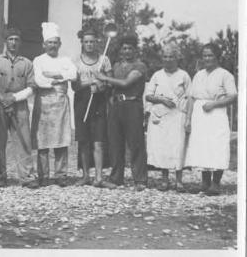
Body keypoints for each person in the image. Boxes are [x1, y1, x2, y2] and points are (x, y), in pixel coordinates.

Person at [95, 33, 148, 191]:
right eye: (124, 48)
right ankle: (116, 177)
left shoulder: (140, 66)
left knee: (135, 143)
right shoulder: (116, 65)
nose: (126, 51)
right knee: (115, 143)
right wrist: (102, 85)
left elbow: (125, 83)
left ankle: (140, 180)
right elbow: (112, 86)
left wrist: (103, 78)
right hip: (116, 106)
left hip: (132, 105)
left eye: (130, 48)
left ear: (135, 50)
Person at [27, 22, 77, 188]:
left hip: (61, 102)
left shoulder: (66, 59)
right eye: (50, 42)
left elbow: (73, 74)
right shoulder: (38, 60)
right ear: (44, 44)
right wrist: (57, 79)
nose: (52, 46)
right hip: (44, 103)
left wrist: (56, 75)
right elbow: (39, 80)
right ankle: (43, 175)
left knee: (61, 140)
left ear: (60, 44)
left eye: (55, 42)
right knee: (43, 141)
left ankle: (61, 174)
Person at [184, 44, 237, 195]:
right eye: (205, 55)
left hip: (216, 113)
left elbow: (232, 95)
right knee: (202, 146)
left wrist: (214, 103)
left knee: (216, 145)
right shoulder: (199, 75)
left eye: (210, 55)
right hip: (199, 114)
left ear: (217, 57)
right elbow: (192, 98)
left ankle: (216, 183)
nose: (207, 58)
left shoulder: (225, 75)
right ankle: (205, 183)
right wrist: (188, 119)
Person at [71, 28, 116, 189]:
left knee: (98, 141)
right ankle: (85, 176)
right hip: (82, 101)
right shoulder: (76, 61)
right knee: (83, 140)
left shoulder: (104, 59)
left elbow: (110, 81)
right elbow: (74, 86)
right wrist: (90, 83)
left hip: (99, 102)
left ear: (96, 42)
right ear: (82, 43)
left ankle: (98, 177)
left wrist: (102, 86)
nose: (89, 44)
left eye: (92, 41)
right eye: (86, 41)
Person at [0, 27, 36, 187]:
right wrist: (3, 99)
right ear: (5, 41)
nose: (13, 42)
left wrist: (15, 98)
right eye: (10, 39)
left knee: (23, 139)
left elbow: (32, 87)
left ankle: (27, 176)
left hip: (20, 104)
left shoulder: (27, 63)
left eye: (16, 39)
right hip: (0, 104)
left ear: (20, 42)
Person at [144, 43, 191, 192]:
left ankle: (179, 180)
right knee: (162, 146)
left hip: (178, 116)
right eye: (165, 56)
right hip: (161, 116)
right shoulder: (157, 75)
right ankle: (164, 180)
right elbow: (148, 95)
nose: (168, 59)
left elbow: (190, 97)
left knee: (178, 146)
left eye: (171, 56)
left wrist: (189, 118)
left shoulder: (183, 75)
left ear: (176, 58)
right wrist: (163, 100)